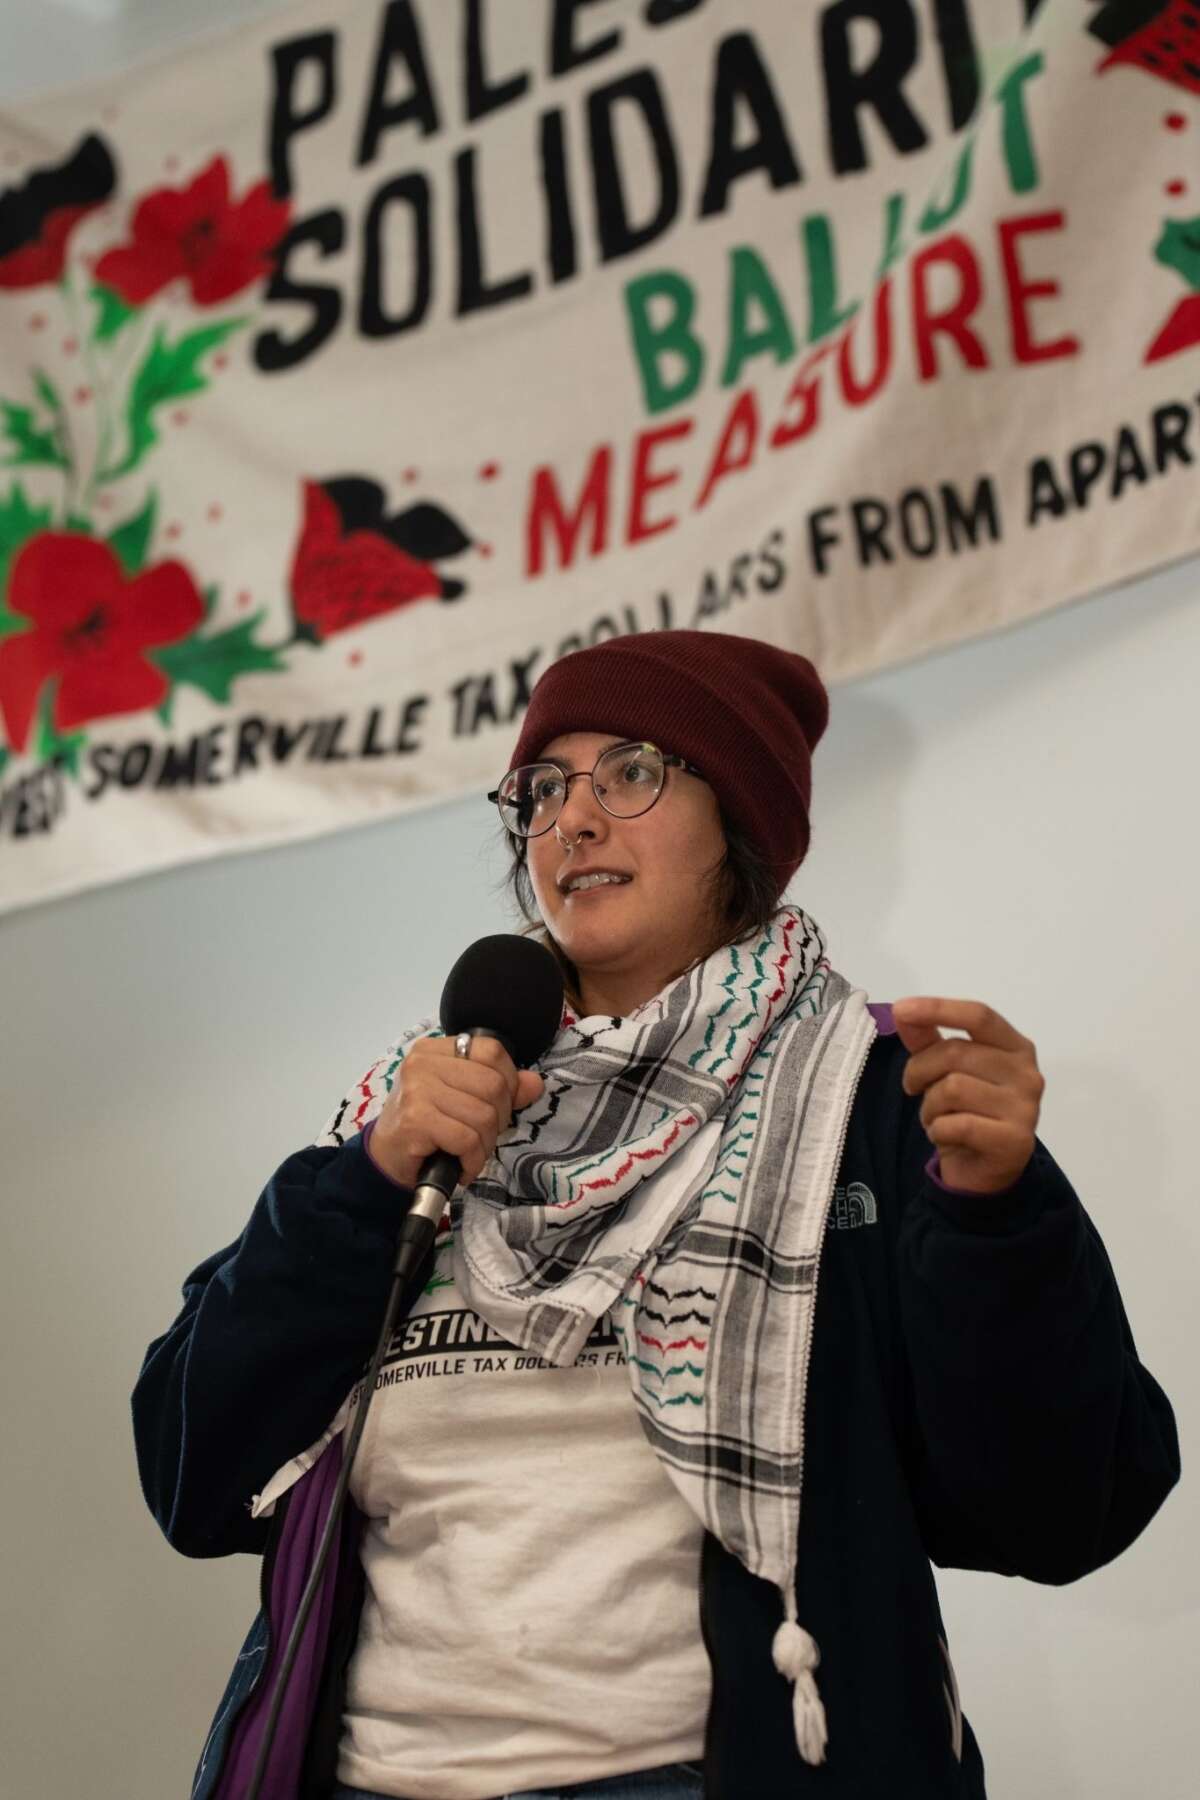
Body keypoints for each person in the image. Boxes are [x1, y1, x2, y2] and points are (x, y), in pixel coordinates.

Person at [133, 630, 1180, 1800]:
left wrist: (999, 1223)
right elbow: (191, 1472)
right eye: (542, 790)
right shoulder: (415, 1112)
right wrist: (362, 1192)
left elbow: (1059, 1513)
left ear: (736, 821)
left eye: (629, 772)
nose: (573, 821)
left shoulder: (872, 1103)